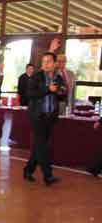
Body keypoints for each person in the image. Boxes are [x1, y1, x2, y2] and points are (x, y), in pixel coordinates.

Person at [24, 52, 62, 186]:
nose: (45, 64)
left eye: (48, 61)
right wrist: (48, 89)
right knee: (42, 146)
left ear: (55, 63)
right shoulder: (36, 77)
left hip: (50, 116)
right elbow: (30, 94)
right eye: (43, 61)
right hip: (37, 116)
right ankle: (48, 175)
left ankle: (28, 170)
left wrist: (60, 92)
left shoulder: (58, 77)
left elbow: (61, 96)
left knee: (38, 146)